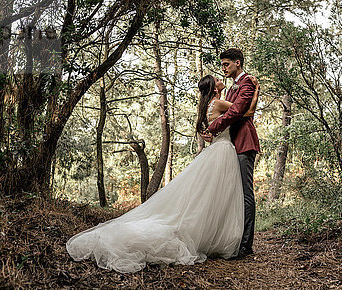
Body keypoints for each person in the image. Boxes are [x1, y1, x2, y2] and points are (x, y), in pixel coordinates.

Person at [66, 74, 260, 273]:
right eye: (217, 79)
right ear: (213, 88)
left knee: (208, 197)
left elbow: (216, 129)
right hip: (224, 151)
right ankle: (217, 237)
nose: (221, 79)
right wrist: (256, 94)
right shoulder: (218, 103)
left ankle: (210, 234)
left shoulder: (207, 107)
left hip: (217, 150)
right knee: (219, 196)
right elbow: (245, 112)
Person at [204, 48, 261, 257]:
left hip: (244, 143)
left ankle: (246, 246)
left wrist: (212, 128)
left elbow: (237, 112)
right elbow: (229, 112)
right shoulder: (229, 89)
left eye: (226, 64)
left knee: (246, 194)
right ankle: (233, 240)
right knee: (231, 194)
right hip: (230, 144)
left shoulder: (247, 83)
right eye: (222, 64)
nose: (223, 68)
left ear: (238, 63)